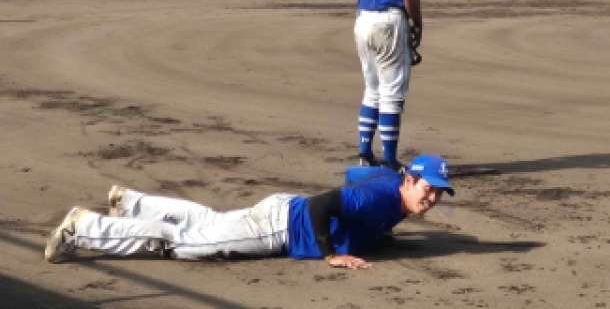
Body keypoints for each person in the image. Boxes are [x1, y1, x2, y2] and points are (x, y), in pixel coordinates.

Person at [44, 154, 455, 269]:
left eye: (439, 194)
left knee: (208, 221)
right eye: (428, 189)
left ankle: (130, 202)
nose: (432, 199)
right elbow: (323, 203)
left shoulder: (391, 186)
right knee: (188, 243)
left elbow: (355, 174)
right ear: (409, 179)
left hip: (279, 208)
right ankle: (84, 228)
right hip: (279, 227)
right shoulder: (384, 198)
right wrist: (332, 253)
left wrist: (374, 231)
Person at [354, 0, 428, 170]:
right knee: (392, 92)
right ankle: (389, 160)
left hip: (363, 19)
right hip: (388, 21)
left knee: (371, 89)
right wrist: (417, 21)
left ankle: (364, 154)